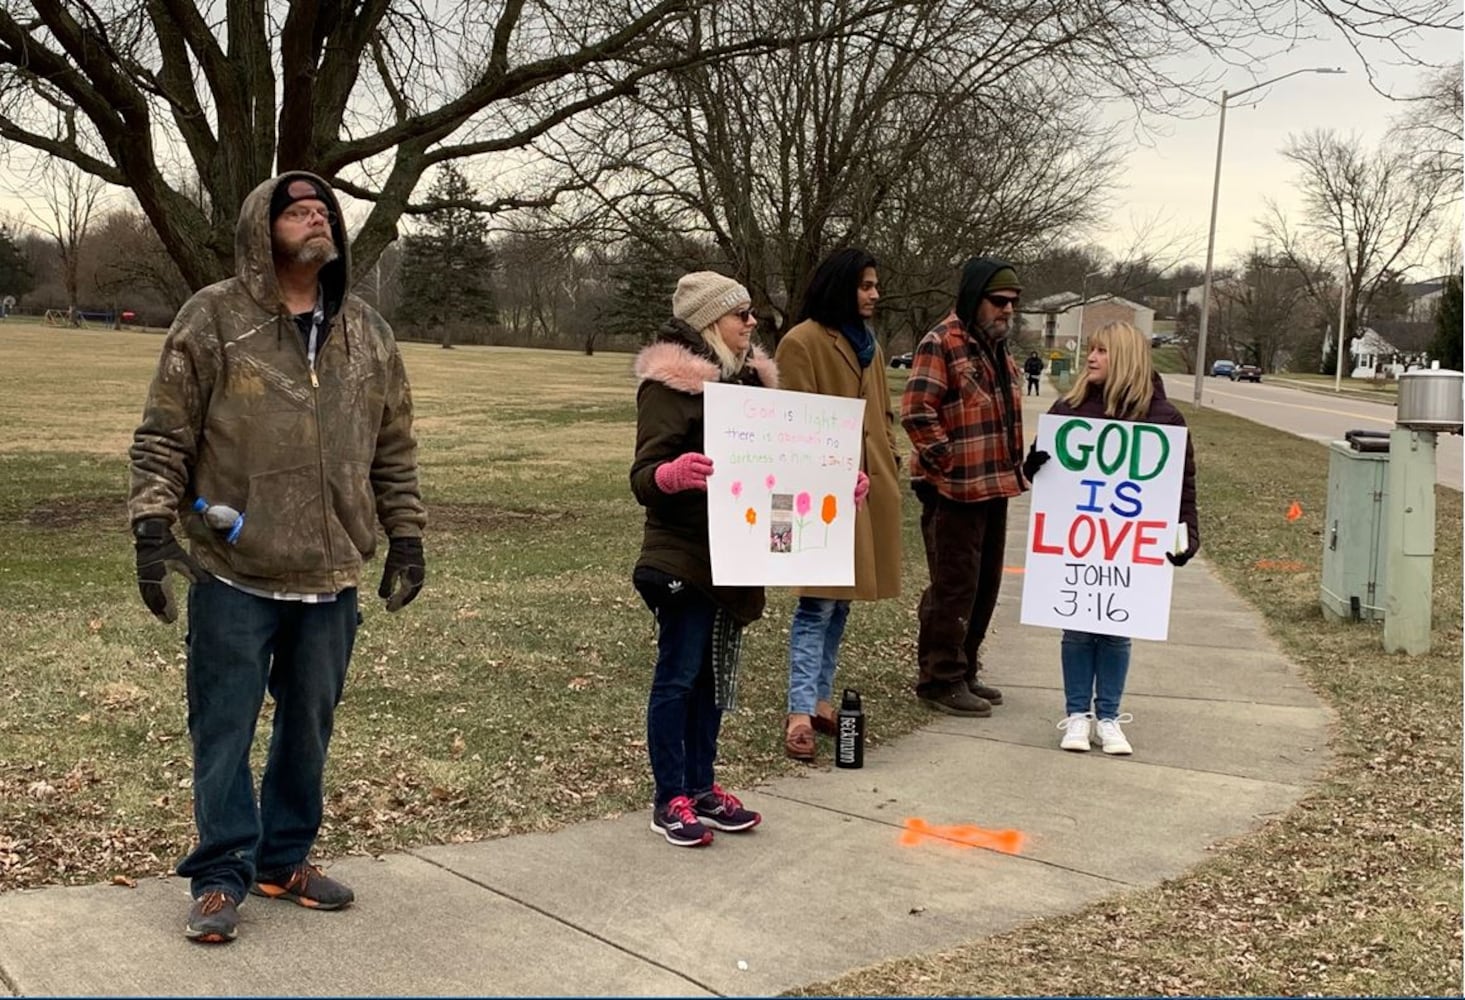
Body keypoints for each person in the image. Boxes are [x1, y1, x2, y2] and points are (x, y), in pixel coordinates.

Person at [128, 173, 426, 943]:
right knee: (222, 726)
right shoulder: (214, 316)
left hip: (332, 575)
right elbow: (165, 433)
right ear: (263, 230)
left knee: (308, 727)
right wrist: (151, 531)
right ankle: (222, 875)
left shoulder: (366, 330)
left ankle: (281, 858)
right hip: (236, 570)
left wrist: (407, 535)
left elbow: (393, 445)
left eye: (323, 210)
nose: (315, 218)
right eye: (297, 211)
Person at [630, 271, 777, 847]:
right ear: (712, 321)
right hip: (683, 554)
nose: (751, 323)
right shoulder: (670, 386)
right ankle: (670, 797)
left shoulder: (754, 388)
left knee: (713, 681)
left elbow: (782, 464)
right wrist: (671, 475)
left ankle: (703, 788)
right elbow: (644, 474)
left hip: (735, 556)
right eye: (741, 313)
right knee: (679, 673)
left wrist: (837, 488)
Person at [1023, 321, 1199, 755]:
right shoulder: (1069, 410)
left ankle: (1109, 717)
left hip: (1128, 547)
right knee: (1078, 629)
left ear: (1124, 358)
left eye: (1102, 351)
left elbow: (1181, 487)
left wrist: (1184, 537)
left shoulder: (1164, 418)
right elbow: (1042, 475)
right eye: (1092, 350)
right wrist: (1033, 465)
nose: (1091, 357)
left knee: (1119, 630)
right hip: (1081, 542)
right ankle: (1077, 716)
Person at [774, 248, 901, 762]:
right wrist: (832, 475)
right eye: (865, 285)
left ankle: (821, 698)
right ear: (839, 286)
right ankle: (799, 710)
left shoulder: (870, 341)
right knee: (817, 603)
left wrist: (890, 458)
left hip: (870, 489)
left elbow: (882, 412)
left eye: (876, 285)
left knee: (842, 602)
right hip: (825, 492)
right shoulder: (801, 341)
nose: (874, 294)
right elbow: (796, 424)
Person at [900, 257, 1027, 716]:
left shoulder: (996, 349)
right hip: (952, 491)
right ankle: (939, 678)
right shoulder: (942, 342)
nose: (1007, 310)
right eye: (999, 301)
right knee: (954, 585)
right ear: (976, 299)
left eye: (1013, 302)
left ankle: (965, 668)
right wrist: (946, 463)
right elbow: (917, 411)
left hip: (993, 487)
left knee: (985, 585)